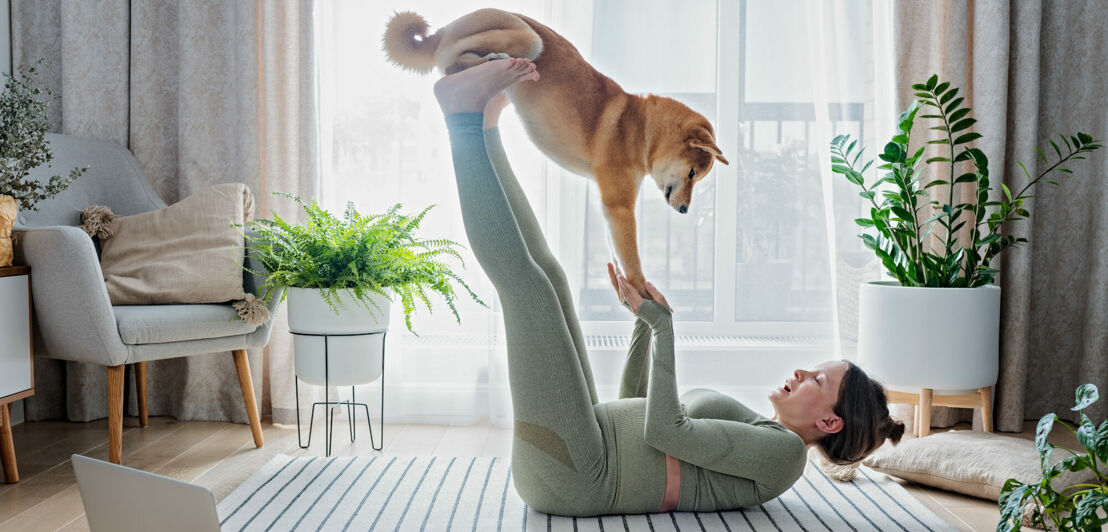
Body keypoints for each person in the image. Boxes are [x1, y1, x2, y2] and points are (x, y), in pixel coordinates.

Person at [433, 57, 905, 517]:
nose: (802, 372)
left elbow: (664, 431)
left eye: (818, 381)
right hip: (589, 442)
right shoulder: (763, 432)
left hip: (579, 474)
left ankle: (461, 119)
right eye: (814, 370)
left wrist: (664, 331)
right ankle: (486, 124)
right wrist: (646, 324)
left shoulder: (783, 456)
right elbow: (638, 411)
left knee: (531, 294)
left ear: (829, 422)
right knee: (551, 280)